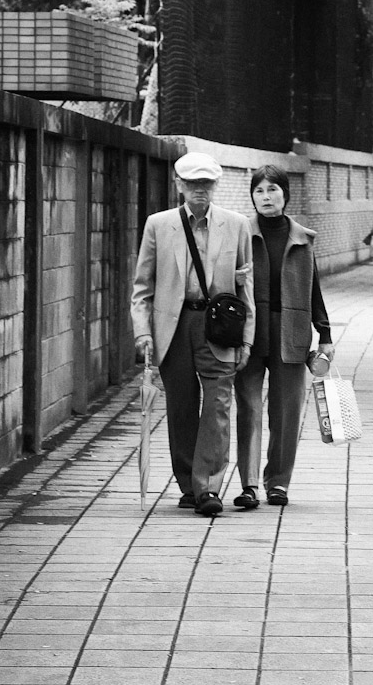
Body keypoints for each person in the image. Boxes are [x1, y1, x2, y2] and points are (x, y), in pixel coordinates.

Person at [131, 152, 254, 517]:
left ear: (216, 186)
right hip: (174, 325)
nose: (201, 190)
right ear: (179, 185)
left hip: (220, 326)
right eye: (193, 184)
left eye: (207, 184)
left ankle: (208, 486)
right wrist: (142, 333)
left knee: (218, 404)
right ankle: (189, 483)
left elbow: (246, 287)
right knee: (181, 406)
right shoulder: (158, 225)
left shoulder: (237, 225)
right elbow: (142, 287)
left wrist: (247, 337)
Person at [233, 165, 334, 510]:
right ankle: (249, 485)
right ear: (252, 197)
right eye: (259, 191)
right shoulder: (241, 234)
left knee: (286, 412)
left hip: (291, 331)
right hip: (249, 332)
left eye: (272, 189)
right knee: (248, 408)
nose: (266, 197)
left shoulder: (303, 239)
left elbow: (313, 288)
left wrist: (325, 334)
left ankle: (277, 482)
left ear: (285, 194)